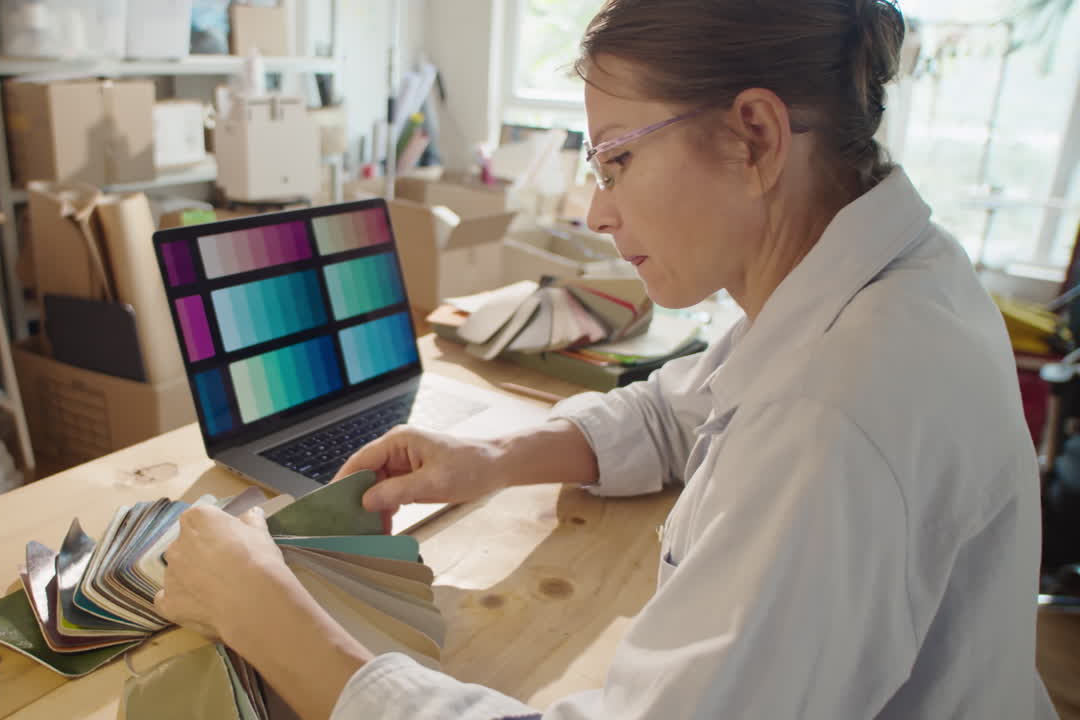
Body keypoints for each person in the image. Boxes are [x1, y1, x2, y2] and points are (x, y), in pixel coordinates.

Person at [154, 0, 1060, 717]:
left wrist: (266, 614)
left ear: (755, 136)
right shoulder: (876, 281)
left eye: (616, 161)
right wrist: (494, 460)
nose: (597, 210)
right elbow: (676, 410)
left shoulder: (833, 418)